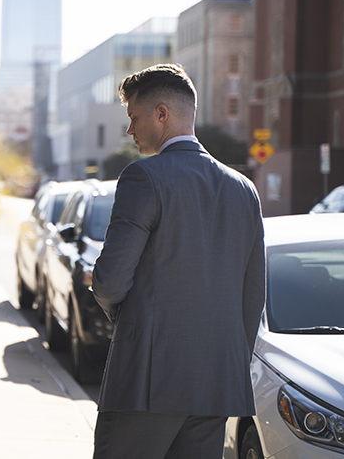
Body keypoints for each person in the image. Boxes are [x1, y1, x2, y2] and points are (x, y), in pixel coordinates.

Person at [89, 64, 265, 459]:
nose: (130, 130)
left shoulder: (143, 177)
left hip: (147, 379)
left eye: (134, 118)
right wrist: (228, 359)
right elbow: (253, 294)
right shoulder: (244, 189)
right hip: (216, 382)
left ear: (161, 114)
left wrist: (129, 321)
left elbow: (110, 282)